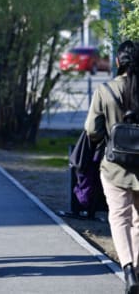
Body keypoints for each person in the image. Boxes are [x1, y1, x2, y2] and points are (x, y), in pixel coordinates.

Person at [85, 40, 139, 294]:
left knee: (119, 217)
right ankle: (137, 269)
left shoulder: (105, 91)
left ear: (118, 62)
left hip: (114, 166)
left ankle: (127, 269)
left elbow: (91, 131)